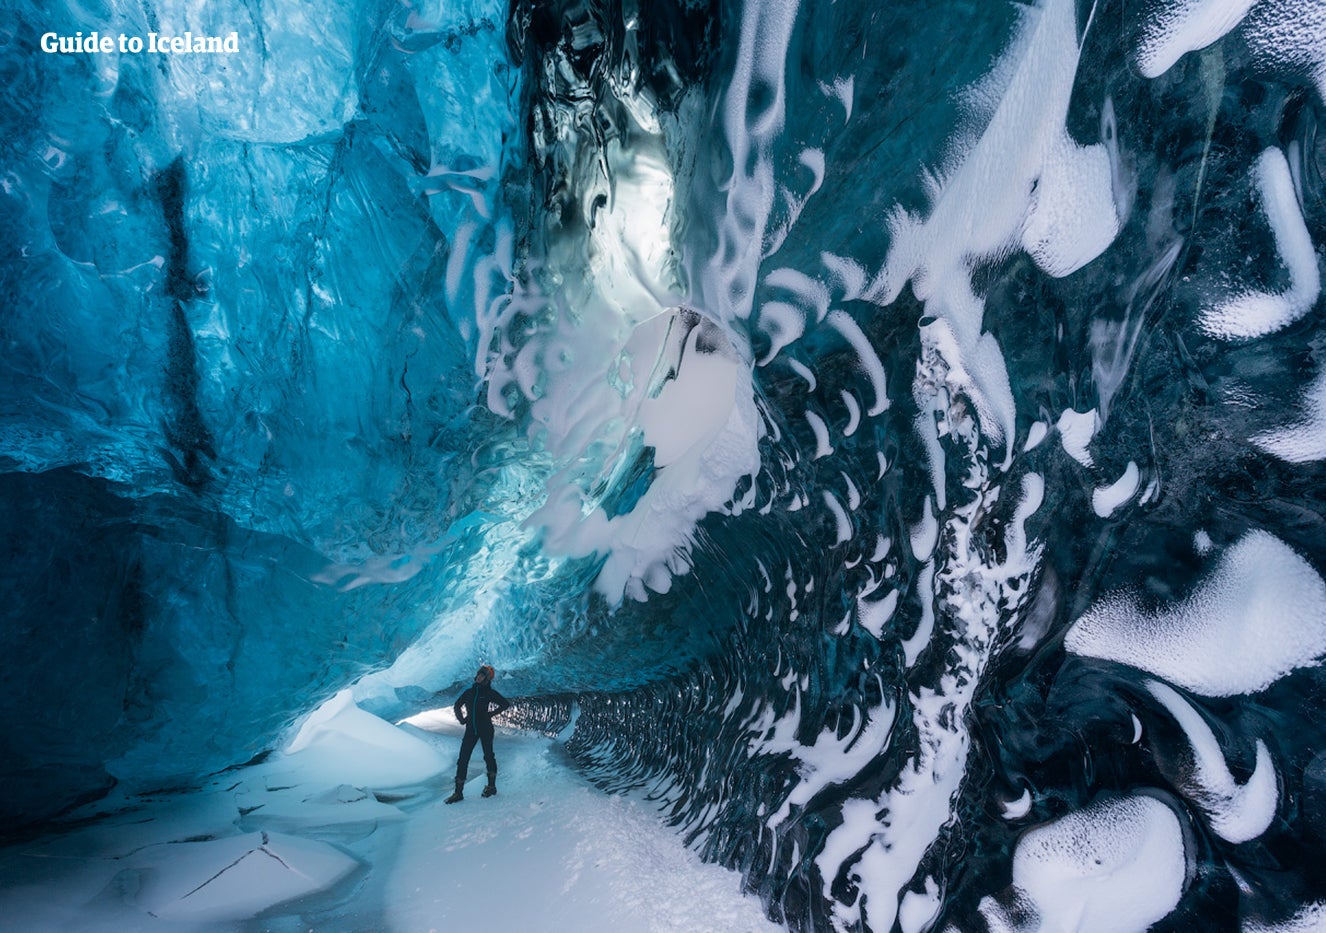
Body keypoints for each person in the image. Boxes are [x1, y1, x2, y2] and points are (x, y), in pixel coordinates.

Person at [445, 664, 510, 803]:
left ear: (486, 679)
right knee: (463, 759)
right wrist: (462, 719)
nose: (479, 677)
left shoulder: (489, 693)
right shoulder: (469, 692)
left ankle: (491, 787)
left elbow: (505, 704)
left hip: (485, 728)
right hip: (470, 730)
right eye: (479, 674)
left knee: (488, 756)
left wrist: (490, 714)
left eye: (482, 675)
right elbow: (457, 705)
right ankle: (458, 793)